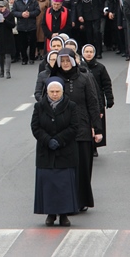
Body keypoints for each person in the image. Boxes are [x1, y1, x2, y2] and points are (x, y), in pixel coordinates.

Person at [51, 49, 101, 211]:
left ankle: (81, 201)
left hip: (82, 129)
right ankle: (66, 202)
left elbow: (93, 103)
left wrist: (97, 129)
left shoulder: (84, 78)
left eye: (68, 61)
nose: (65, 64)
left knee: (83, 168)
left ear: (74, 61)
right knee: (65, 170)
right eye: (63, 61)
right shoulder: (54, 80)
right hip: (61, 131)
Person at [31, 77, 79, 227]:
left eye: (57, 91)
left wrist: (59, 139)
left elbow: (74, 127)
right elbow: (35, 127)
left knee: (64, 186)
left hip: (65, 151)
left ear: (62, 91)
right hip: (45, 153)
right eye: (52, 91)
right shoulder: (39, 106)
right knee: (48, 185)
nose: (55, 94)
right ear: (47, 92)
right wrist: (47, 140)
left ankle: (64, 215)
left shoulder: (71, 106)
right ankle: (50, 214)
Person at [81, 44, 113, 153]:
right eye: (86, 52)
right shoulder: (80, 67)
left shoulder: (100, 67)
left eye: (91, 52)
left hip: (98, 100)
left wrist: (109, 98)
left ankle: (95, 146)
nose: (88, 54)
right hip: (84, 100)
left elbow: (107, 84)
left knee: (97, 123)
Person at [12, 0, 41, 65]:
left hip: (31, 24)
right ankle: (24, 59)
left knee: (32, 42)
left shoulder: (33, 0)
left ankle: (31, 58)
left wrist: (30, 14)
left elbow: (38, 11)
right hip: (21, 25)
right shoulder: (17, 1)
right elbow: (13, 12)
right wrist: (21, 14)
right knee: (22, 43)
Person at [0, 0, 16, 79]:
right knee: (1, 55)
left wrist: (5, 21)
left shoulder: (10, 14)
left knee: (8, 54)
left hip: (8, 36)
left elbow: (12, 25)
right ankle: (2, 71)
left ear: (5, 7)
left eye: (2, 7)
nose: (0, 9)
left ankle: (8, 71)